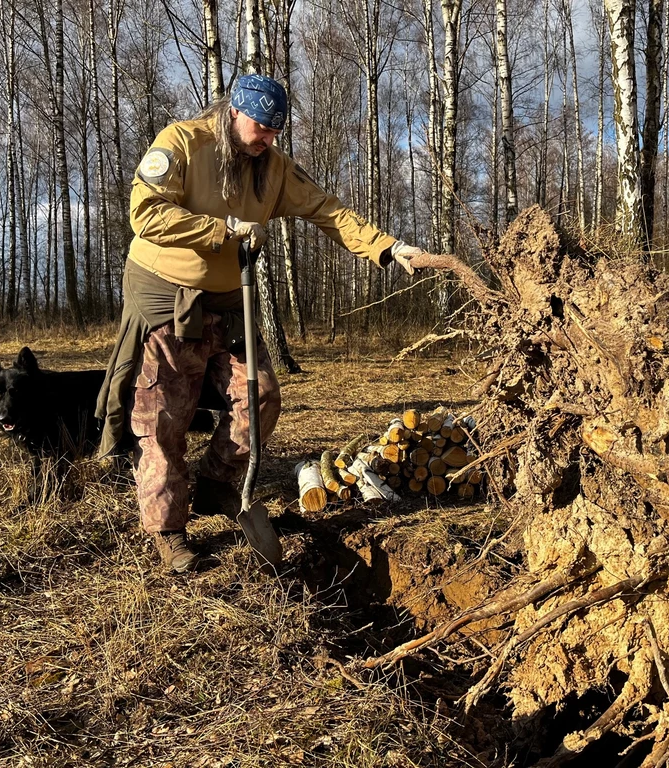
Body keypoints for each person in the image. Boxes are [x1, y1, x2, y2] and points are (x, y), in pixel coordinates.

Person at [96, 74, 425, 573]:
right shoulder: (183, 142)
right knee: (167, 414)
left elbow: (327, 210)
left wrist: (388, 246)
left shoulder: (272, 167)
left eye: (276, 132)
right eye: (260, 128)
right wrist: (221, 229)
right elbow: (145, 214)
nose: (267, 140)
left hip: (230, 302)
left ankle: (217, 482)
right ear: (234, 113)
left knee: (262, 394)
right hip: (167, 296)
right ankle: (168, 529)